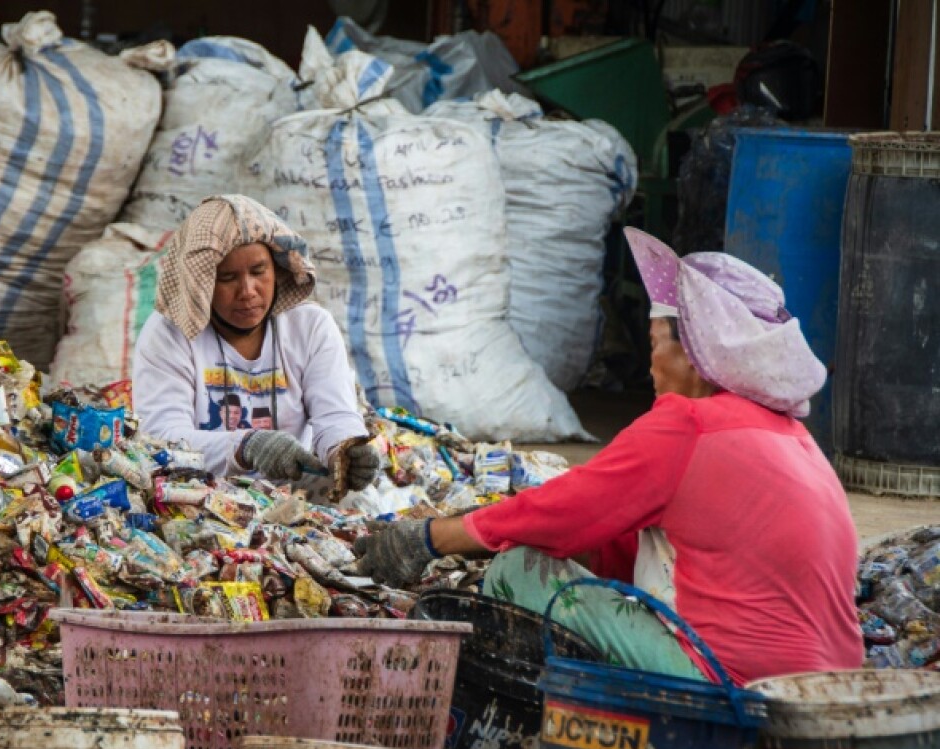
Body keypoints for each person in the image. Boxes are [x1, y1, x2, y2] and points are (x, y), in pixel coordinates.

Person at [356, 228, 864, 686]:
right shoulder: (792, 436)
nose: (650, 363)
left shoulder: (688, 425)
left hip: (731, 685)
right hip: (827, 689)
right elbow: (614, 538)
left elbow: (563, 510)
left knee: (517, 570)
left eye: (654, 343)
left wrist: (429, 538)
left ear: (695, 352)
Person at [133, 194, 381, 490]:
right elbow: (162, 438)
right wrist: (245, 447)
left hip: (294, 491)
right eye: (227, 278)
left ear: (277, 269)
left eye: (258, 272)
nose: (248, 291)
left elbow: (335, 415)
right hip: (201, 493)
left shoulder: (310, 327)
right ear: (201, 284)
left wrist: (345, 449)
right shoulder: (169, 334)